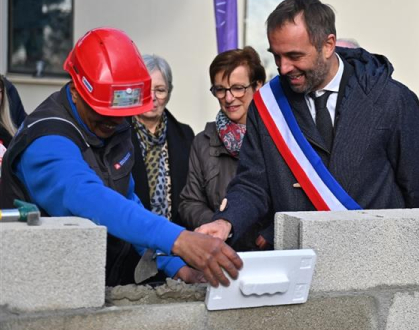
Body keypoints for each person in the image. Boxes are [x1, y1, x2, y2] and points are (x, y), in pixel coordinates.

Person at [0, 27, 242, 287]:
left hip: (90, 281)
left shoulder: (112, 125)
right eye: (104, 112)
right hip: (38, 287)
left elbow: (126, 201)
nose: (114, 121)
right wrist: (179, 239)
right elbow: (88, 197)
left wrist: (177, 267)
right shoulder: (47, 139)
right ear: (76, 92)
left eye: (122, 112)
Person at [198, 0, 419, 247]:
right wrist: (227, 221)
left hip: (378, 262)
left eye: (295, 56)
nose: (283, 68)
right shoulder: (267, 106)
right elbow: (253, 183)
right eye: (277, 56)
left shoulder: (391, 100)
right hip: (299, 262)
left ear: (328, 45)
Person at [178, 47, 268, 250]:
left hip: (269, 253)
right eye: (220, 89)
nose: (228, 98)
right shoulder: (203, 142)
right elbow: (189, 202)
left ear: (258, 86)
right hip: (220, 253)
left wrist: (270, 231)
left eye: (237, 88)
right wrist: (221, 224)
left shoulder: (278, 137)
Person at [131, 54, 194, 226]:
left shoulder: (185, 136)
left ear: (168, 93)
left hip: (175, 240)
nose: (152, 97)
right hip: (130, 241)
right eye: (146, 89)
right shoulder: (118, 135)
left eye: (160, 90)